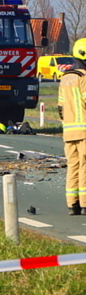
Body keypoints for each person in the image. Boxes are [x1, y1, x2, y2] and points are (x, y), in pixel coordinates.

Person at [57, 56, 86, 214]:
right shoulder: (84, 78)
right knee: (84, 166)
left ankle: (72, 204)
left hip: (69, 131)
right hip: (84, 131)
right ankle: (85, 204)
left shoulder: (65, 78)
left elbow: (60, 108)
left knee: (73, 166)